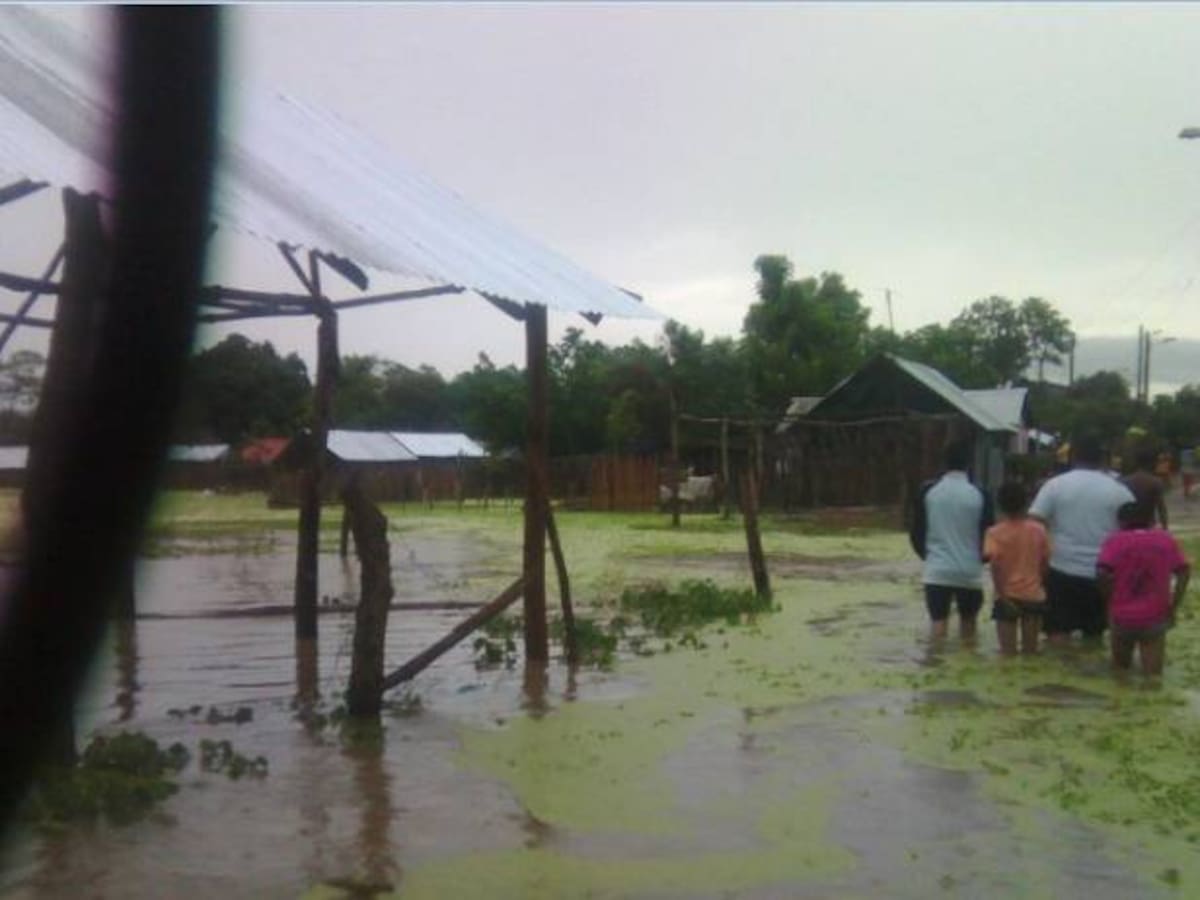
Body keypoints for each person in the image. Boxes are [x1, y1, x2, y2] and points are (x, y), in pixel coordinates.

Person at [1029, 433, 1134, 646]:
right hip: (1103, 574)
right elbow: (1131, 533)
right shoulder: (1119, 491)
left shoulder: (1055, 485)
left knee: (1057, 632)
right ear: (1102, 459)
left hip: (1062, 569)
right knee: (1095, 636)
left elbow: (1035, 521)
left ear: (1072, 456)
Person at [909, 440, 994, 642]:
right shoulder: (981, 494)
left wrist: (929, 557)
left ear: (944, 463)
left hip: (937, 571)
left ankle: (935, 665)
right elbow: (989, 535)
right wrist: (979, 560)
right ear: (968, 464)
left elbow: (916, 533)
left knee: (938, 625)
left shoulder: (928, 492)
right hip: (969, 571)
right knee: (969, 625)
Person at [1097, 502, 1190, 677]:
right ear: (1152, 520)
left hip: (1122, 615)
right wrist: (1173, 606)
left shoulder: (1114, 541)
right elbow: (1184, 572)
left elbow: (1102, 572)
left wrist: (1109, 601)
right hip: (1155, 616)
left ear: (1121, 522)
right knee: (1153, 677)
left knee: (1120, 674)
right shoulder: (1165, 540)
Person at [984, 482, 1051, 655]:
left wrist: (1002, 595)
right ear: (1027, 503)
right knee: (1031, 653)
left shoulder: (994, 533)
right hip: (1033, 595)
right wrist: (1039, 582)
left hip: (1007, 596)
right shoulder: (1039, 530)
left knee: (1007, 655)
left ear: (1000, 505)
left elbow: (995, 566)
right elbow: (1045, 562)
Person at [1122, 446, 1168, 529]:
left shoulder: (1125, 481)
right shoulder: (1155, 482)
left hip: (1128, 527)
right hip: (1148, 526)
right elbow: (1162, 510)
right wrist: (1165, 530)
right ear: (1152, 462)